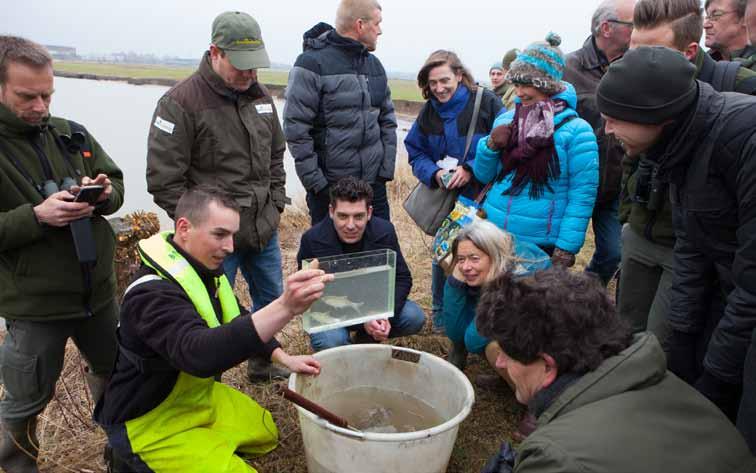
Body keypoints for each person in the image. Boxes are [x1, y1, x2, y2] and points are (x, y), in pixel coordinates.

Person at [94, 186, 330, 472]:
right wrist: (285, 307)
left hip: (197, 400)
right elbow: (200, 355)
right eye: (219, 234)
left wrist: (283, 357)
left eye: (232, 235)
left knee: (267, 432)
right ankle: (126, 458)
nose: (230, 247)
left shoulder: (204, 269)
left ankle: (205, 447)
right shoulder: (151, 296)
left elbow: (237, 317)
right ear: (184, 228)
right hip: (149, 420)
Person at [596, 45, 756, 451]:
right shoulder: (677, 144)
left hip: (747, 296)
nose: (608, 129)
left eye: (615, 118)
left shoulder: (742, 137)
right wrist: (682, 338)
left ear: (656, 115)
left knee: (742, 426)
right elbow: (692, 244)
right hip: (728, 288)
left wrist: (718, 372)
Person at [476, 268, 756, 473]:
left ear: (548, 366)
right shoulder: (679, 393)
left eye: (508, 356)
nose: (500, 363)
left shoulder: (557, 457)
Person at [0, 36, 124, 472]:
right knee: (24, 399)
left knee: (119, 375)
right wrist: (37, 217)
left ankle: (122, 454)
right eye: (26, 96)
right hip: (35, 305)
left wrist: (104, 195)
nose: (40, 106)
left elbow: (118, 184)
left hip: (98, 295)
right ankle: (17, 467)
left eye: (47, 94)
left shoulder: (71, 134)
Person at [146, 11, 288, 381]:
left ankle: (262, 364)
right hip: (212, 241)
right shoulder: (179, 103)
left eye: (255, 66)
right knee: (207, 313)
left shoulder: (260, 98)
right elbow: (164, 180)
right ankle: (208, 382)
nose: (249, 75)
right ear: (215, 53)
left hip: (263, 228)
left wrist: (274, 206)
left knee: (272, 300)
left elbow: (276, 155)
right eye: (242, 66)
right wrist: (203, 231)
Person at [615, 0, 756, 339]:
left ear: (689, 51)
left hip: (691, 253)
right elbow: (631, 157)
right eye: (633, 51)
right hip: (639, 233)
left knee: (665, 347)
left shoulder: (739, 88)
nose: (638, 63)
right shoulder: (636, 85)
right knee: (621, 334)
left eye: (652, 51)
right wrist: (627, 216)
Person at [474, 34, 599, 269]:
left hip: (540, 242)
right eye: (516, 84)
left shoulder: (577, 131)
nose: (519, 92)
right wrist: (490, 145)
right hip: (493, 230)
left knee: (527, 304)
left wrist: (566, 247)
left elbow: (582, 194)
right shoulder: (507, 120)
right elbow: (484, 176)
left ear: (547, 84)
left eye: (526, 84)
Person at [404, 50, 503, 334]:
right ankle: (442, 315)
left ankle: (482, 317)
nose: (439, 88)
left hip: (484, 198)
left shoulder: (486, 103)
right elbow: (415, 151)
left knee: (480, 257)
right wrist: (435, 174)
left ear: (459, 75)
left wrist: (471, 168)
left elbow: (505, 143)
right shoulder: (429, 112)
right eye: (432, 83)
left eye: (444, 80)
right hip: (448, 200)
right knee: (444, 255)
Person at [284, 0, 397, 224]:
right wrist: (318, 185)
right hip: (330, 189)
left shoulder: (374, 65)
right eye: (377, 23)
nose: (380, 30)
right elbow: (296, 130)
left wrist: (384, 173)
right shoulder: (311, 64)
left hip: (373, 188)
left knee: (380, 253)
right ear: (360, 25)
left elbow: (387, 121)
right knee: (329, 258)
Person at [296, 177, 424, 351]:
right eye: (343, 216)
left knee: (414, 316)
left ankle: (366, 340)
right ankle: (345, 350)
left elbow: (402, 278)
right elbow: (306, 293)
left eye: (358, 217)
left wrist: (380, 315)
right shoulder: (312, 240)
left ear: (369, 213)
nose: (350, 225)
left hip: (373, 305)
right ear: (331, 211)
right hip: (333, 311)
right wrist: (362, 320)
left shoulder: (384, 232)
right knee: (331, 341)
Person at [563, 0, 635, 285]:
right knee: (558, 255)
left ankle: (586, 294)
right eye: (634, 25)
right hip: (572, 183)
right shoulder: (568, 68)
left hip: (616, 183)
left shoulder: (635, 68)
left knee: (614, 253)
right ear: (607, 28)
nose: (640, 31)